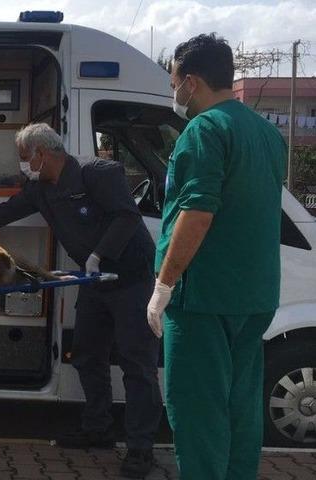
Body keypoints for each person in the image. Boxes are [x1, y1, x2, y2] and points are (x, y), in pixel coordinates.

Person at [0, 123, 161, 478]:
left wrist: (99, 254)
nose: (24, 165)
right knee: (87, 356)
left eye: (26, 158)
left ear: (43, 153)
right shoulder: (41, 188)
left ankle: (141, 449)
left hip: (128, 278)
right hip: (94, 282)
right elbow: (4, 213)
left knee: (136, 363)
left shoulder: (98, 173)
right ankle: (98, 428)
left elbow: (126, 216)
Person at [148, 33, 286, 480]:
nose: (175, 94)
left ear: (191, 81)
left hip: (202, 299)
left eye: (174, 83)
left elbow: (198, 211)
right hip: (254, 295)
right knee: (239, 408)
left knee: (197, 412)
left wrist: (164, 283)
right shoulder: (266, 132)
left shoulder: (203, 131)